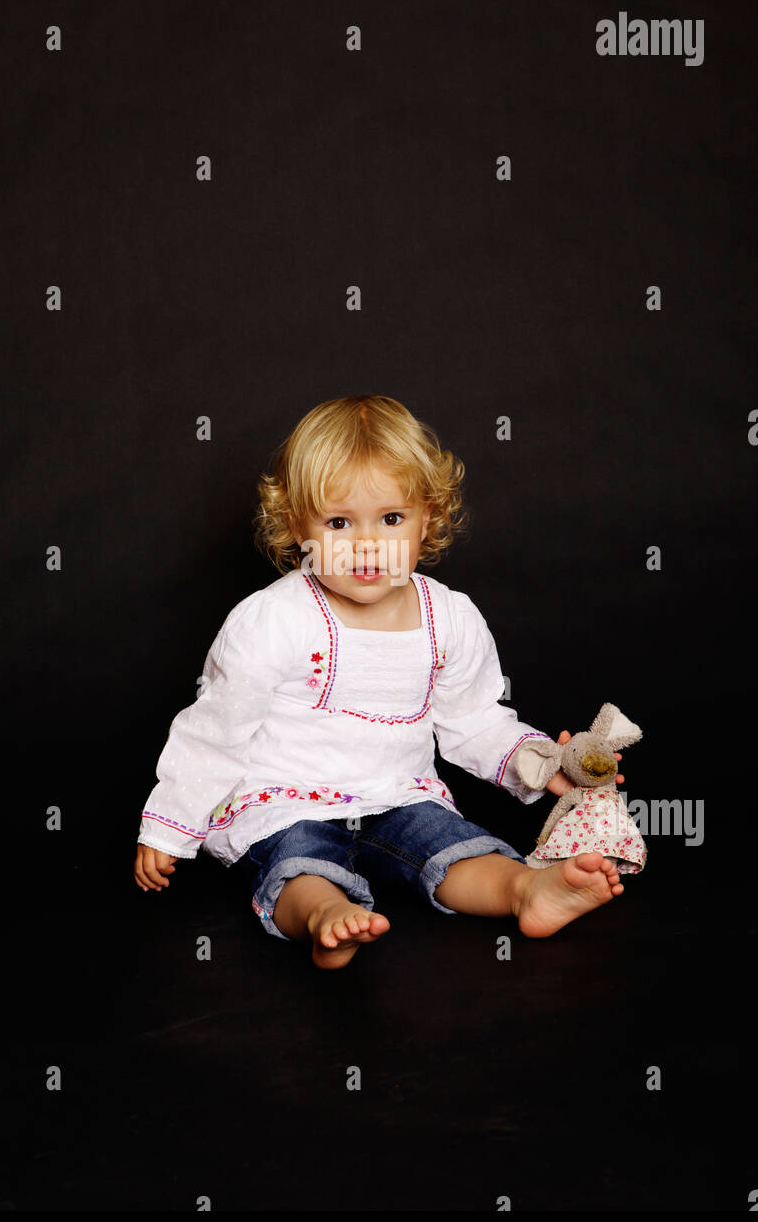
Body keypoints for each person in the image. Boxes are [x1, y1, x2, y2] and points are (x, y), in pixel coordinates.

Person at [134, 394, 626, 969]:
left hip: (398, 793)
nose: (368, 545)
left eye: (391, 520)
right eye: (339, 523)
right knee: (299, 860)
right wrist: (169, 826)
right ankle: (322, 917)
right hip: (287, 798)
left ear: (428, 518)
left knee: (448, 844)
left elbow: (475, 720)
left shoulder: (449, 617)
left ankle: (525, 890)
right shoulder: (273, 620)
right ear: (297, 526)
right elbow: (216, 730)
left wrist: (538, 763)